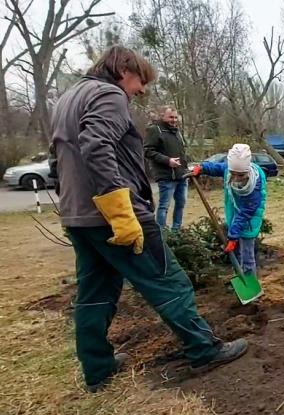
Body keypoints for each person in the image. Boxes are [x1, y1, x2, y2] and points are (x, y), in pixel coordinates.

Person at [49, 45, 247, 393]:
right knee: (168, 280)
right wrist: (119, 210)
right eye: (141, 81)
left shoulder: (68, 98)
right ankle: (203, 349)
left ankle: (98, 368)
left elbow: (56, 159)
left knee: (95, 291)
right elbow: (97, 146)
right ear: (124, 70)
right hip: (114, 214)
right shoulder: (108, 94)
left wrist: (72, 200)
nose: (141, 90)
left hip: (78, 216)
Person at [192, 143, 267, 275]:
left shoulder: (255, 183)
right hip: (234, 216)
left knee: (247, 256)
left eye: (241, 175)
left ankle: (251, 286)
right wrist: (202, 168)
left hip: (249, 222)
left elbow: (246, 212)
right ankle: (238, 276)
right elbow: (218, 168)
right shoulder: (229, 169)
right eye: (234, 174)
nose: (236, 178)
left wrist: (233, 236)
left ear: (247, 170)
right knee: (236, 254)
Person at [144, 105, 189, 231]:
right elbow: (147, 151)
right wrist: (167, 160)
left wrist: (187, 167)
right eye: (171, 117)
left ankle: (176, 231)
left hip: (181, 175)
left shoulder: (177, 132)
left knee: (181, 203)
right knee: (164, 205)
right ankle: (162, 232)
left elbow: (182, 152)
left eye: (175, 117)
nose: (174, 120)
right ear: (162, 116)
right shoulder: (154, 130)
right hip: (165, 175)